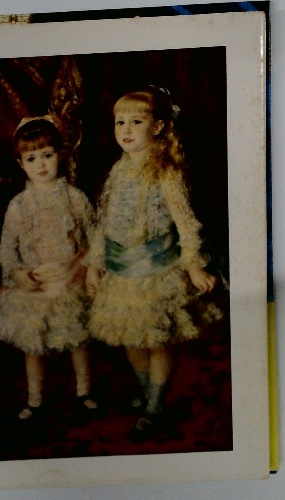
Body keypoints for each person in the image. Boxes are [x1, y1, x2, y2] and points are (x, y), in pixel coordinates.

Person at [85, 86, 219, 440]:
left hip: (158, 272)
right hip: (122, 273)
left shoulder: (167, 172)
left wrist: (193, 265)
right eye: (120, 122)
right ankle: (148, 395)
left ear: (158, 126)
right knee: (132, 339)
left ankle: (155, 406)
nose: (126, 130)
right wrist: (95, 265)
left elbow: (186, 223)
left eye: (136, 121)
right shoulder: (118, 170)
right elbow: (104, 223)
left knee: (159, 340)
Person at [0, 116, 97, 420]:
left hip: (70, 277)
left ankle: (84, 392)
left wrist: (91, 269)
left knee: (77, 338)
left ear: (60, 155)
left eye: (47, 155)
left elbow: (95, 236)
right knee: (33, 343)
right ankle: (35, 399)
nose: (41, 165)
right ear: (21, 163)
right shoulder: (19, 205)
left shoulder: (75, 198)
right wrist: (17, 273)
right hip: (35, 280)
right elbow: (7, 247)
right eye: (32, 158)